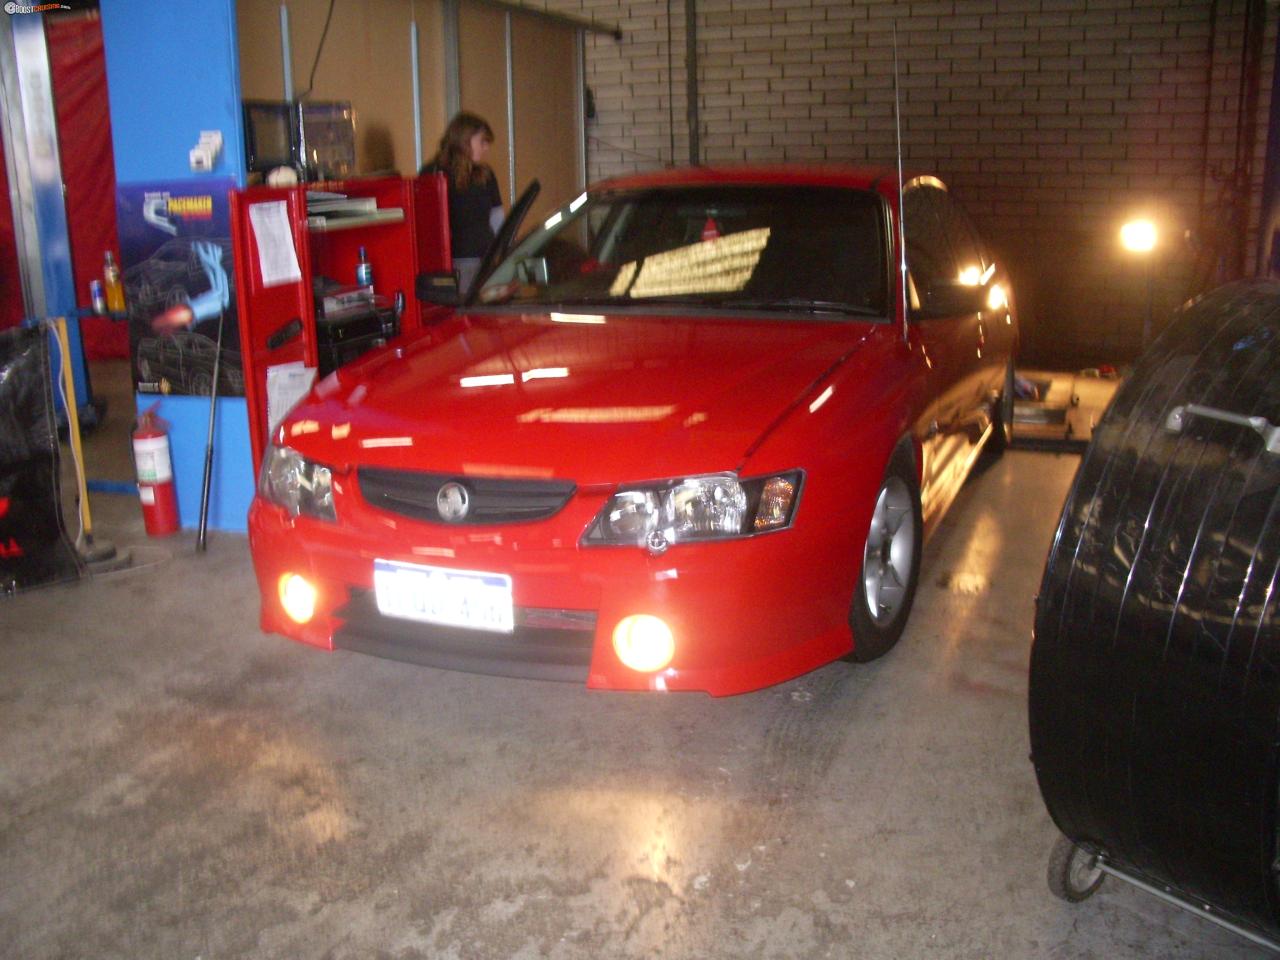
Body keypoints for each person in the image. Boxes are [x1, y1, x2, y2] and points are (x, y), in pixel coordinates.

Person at [420, 112, 505, 293]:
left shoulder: (484, 174)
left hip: (485, 256)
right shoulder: (434, 174)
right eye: (482, 141)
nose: (486, 148)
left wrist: (504, 251)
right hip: (455, 260)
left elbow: (497, 218)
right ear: (465, 139)